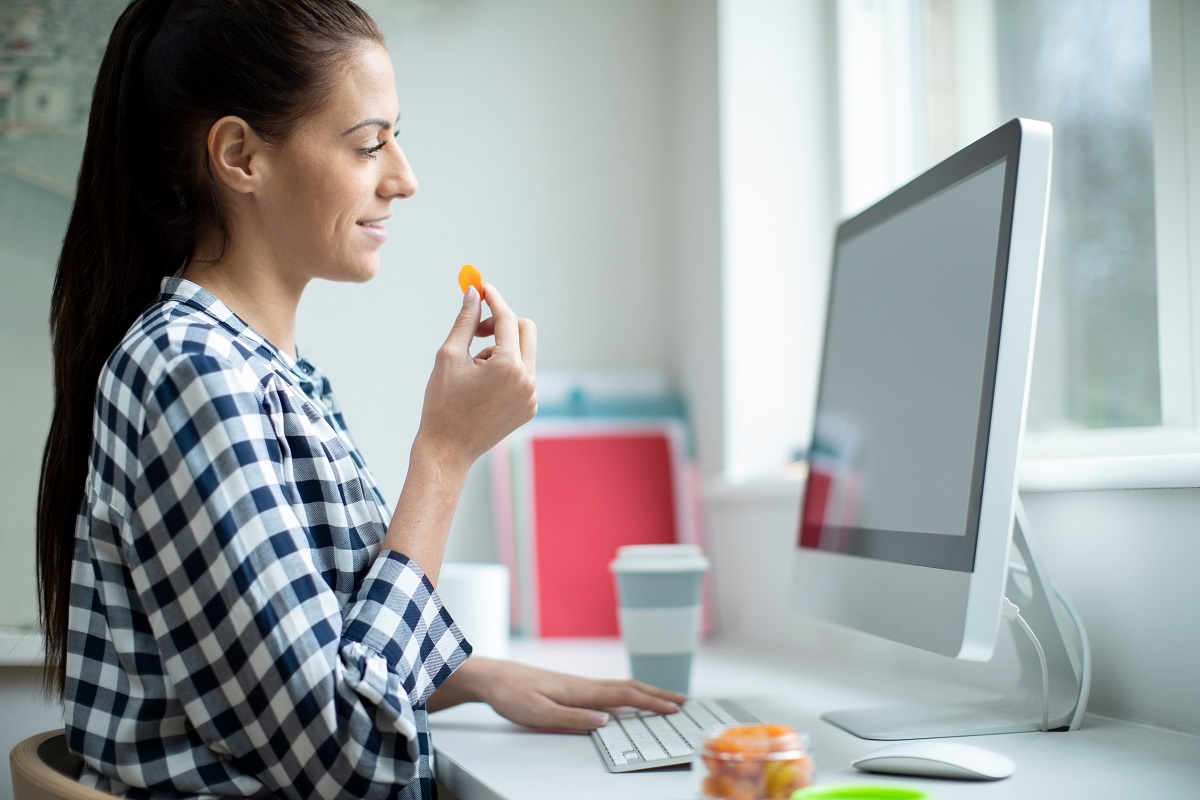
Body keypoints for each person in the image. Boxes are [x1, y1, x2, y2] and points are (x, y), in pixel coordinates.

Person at [34, 1, 684, 798]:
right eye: (369, 143)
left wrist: (473, 676)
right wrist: (444, 455)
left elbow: (318, 645)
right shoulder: (191, 373)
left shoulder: (270, 375)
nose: (403, 178)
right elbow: (350, 762)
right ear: (240, 155)